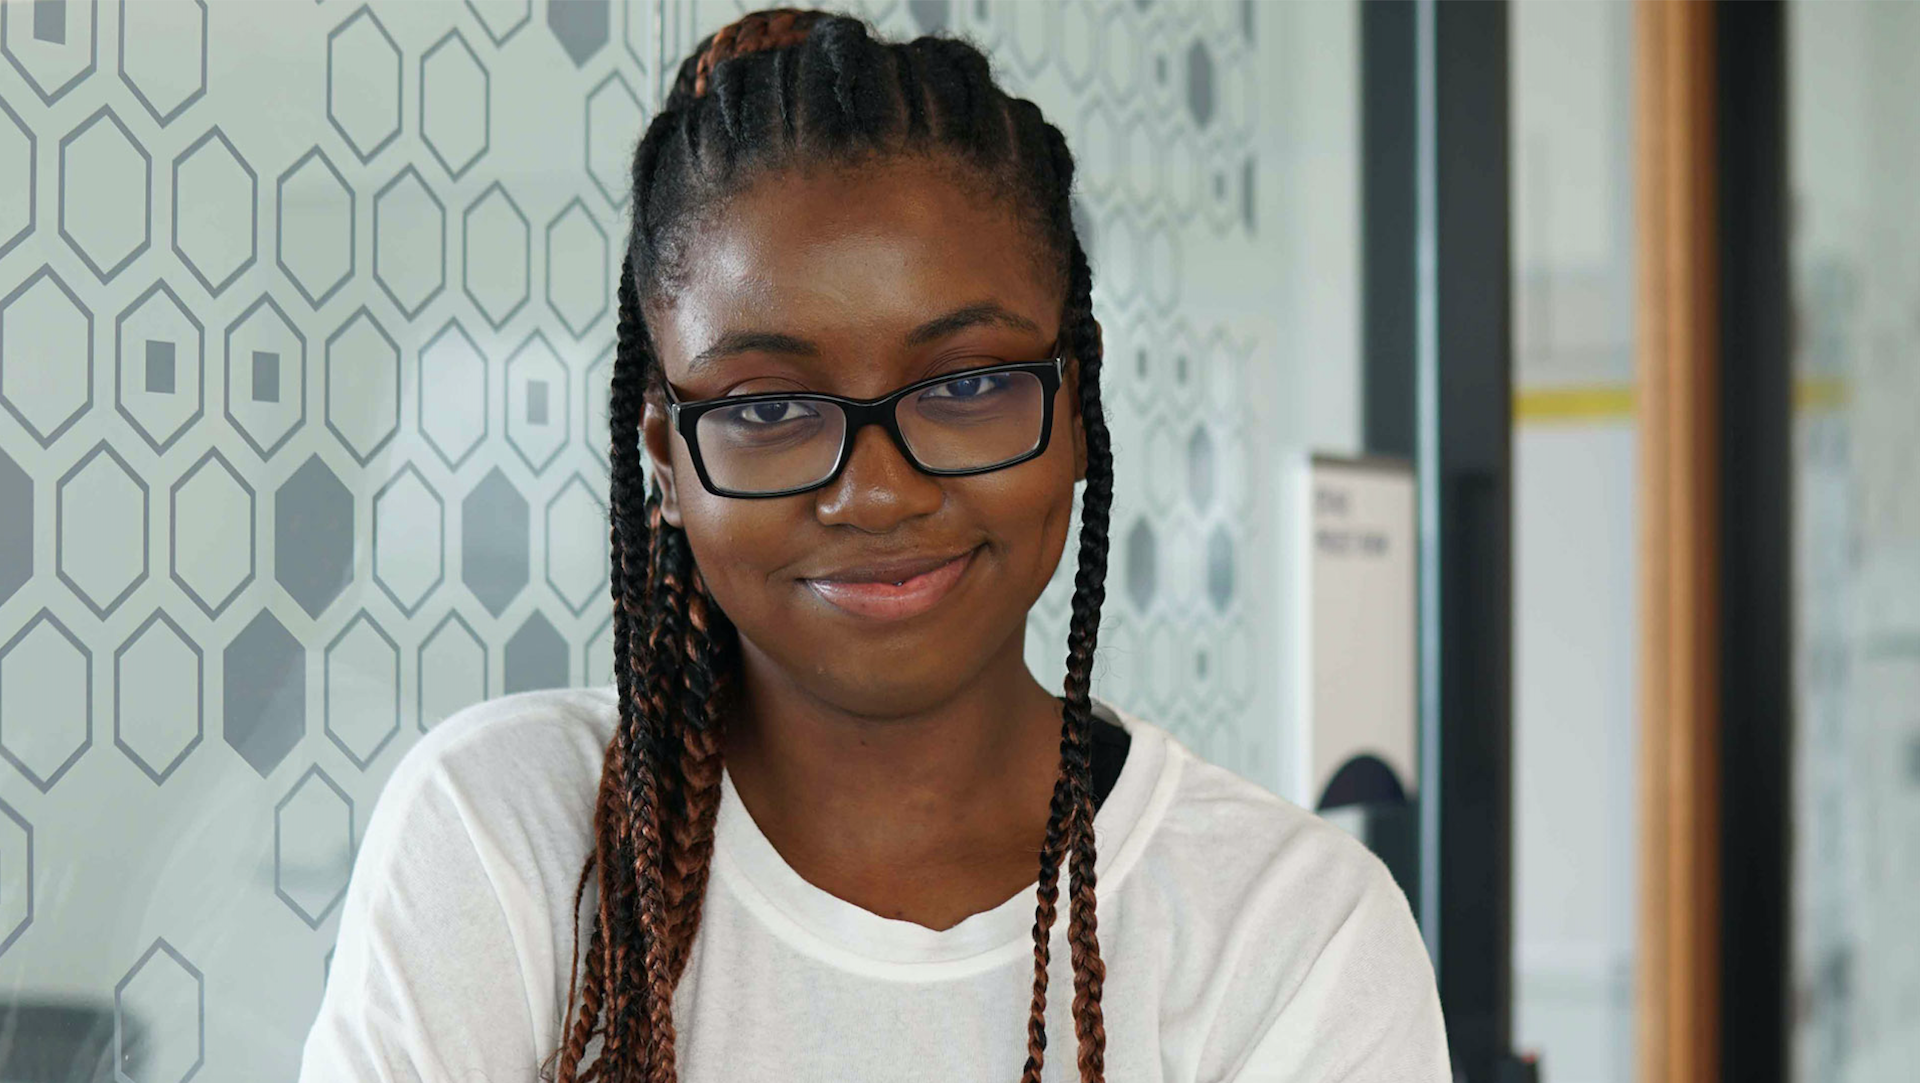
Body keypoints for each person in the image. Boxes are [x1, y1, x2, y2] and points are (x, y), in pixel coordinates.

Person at [298, 10, 1448, 1082]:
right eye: (764, 407)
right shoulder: (506, 840)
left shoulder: (1290, 931)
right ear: (664, 452)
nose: (878, 493)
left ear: (1081, 402)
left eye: (969, 384)